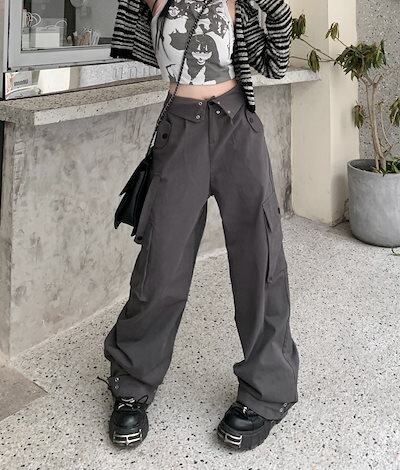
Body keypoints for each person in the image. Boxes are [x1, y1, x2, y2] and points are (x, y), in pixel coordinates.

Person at [102, 0, 299, 451]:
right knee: (161, 261)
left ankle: (268, 390)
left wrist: (273, 7)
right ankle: (132, 379)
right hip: (180, 130)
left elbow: (275, 62)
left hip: (236, 126)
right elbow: (138, 44)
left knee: (260, 260)